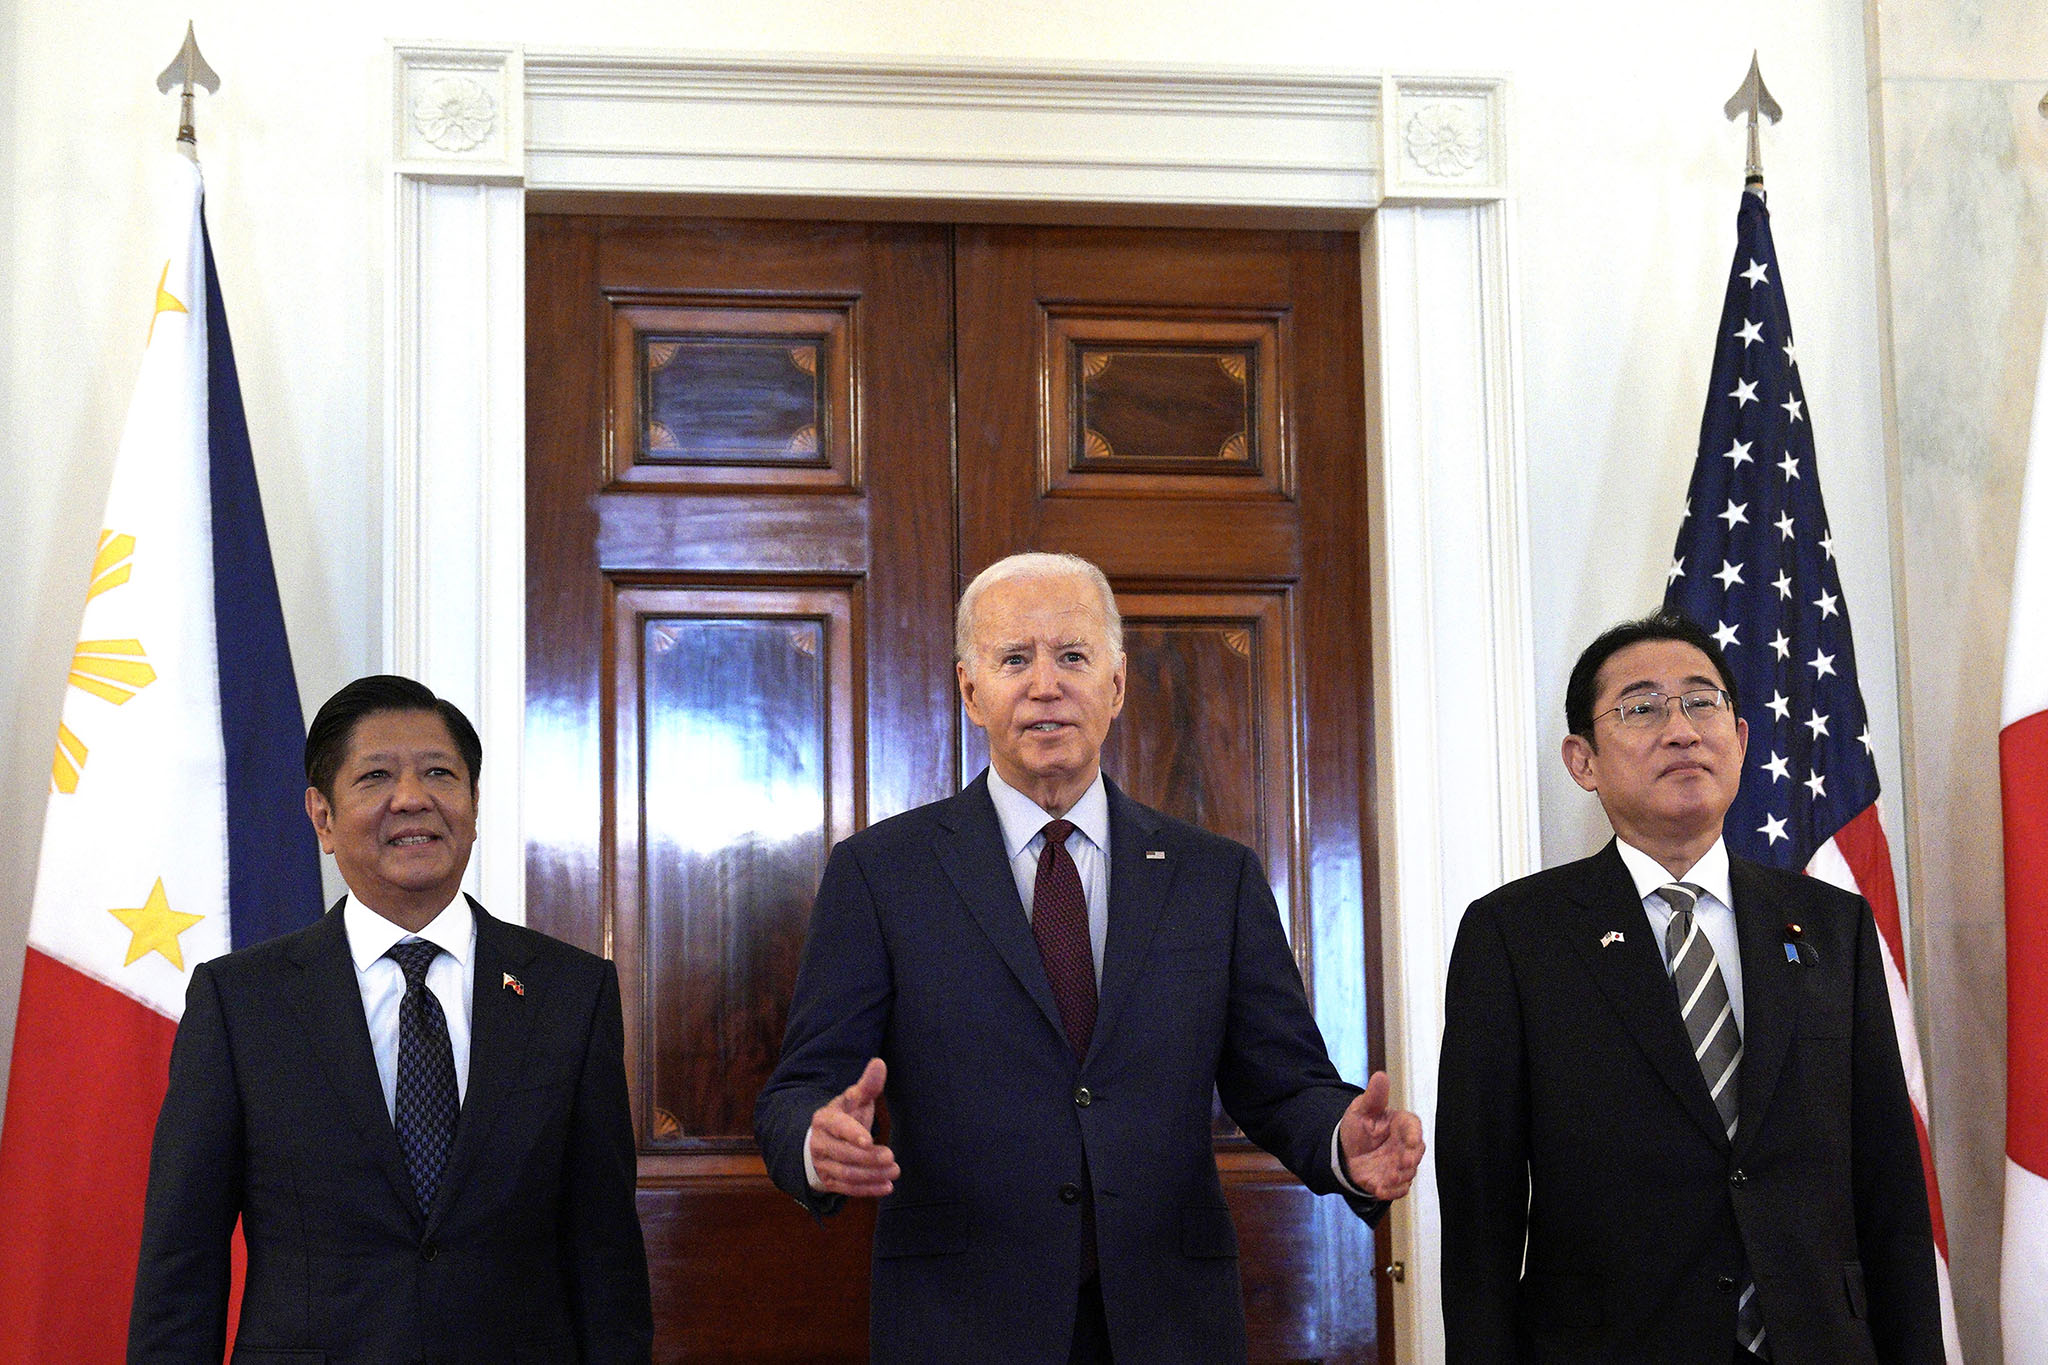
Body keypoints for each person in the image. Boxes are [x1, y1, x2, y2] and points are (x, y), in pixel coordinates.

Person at [754, 551, 1424, 1365]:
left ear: (1116, 683)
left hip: (1169, 1322)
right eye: (1014, 659)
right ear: (971, 690)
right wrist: (814, 1145)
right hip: (961, 1322)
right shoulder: (880, 873)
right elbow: (801, 1088)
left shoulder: (1216, 877)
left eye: (1072, 656)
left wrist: (1342, 1143)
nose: (1045, 684)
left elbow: (1283, 1083)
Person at [1436, 613, 1942, 1363]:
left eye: (1701, 702)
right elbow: (1481, 1219)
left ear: (1739, 739)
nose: (1681, 729)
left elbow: (1891, 1193)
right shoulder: (1514, 935)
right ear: (1583, 760)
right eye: (1641, 707)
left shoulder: (1834, 925)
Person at [129, 676, 652, 1364]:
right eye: (376, 775)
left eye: (440, 773)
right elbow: (183, 1262)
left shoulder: (570, 991)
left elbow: (605, 1252)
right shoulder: (239, 1003)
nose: (413, 797)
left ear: (472, 804)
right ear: (321, 816)